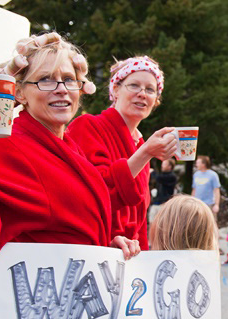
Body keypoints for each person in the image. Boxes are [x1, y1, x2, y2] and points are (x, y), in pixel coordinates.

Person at [0, 32, 140, 262]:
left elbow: (65, 227)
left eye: (69, 79)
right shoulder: (6, 146)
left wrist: (104, 245)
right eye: (46, 79)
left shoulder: (67, 146)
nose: (61, 88)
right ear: (20, 93)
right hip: (44, 295)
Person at [68, 55, 177, 251]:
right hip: (95, 249)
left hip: (130, 255)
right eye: (134, 85)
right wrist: (145, 153)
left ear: (155, 101)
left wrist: (143, 257)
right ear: (115, 90)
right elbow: (91, 195)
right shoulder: (87, 126)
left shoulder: (141, 144)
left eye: (150, 90)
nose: (142, 94)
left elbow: (140, 219)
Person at [148, 159, 177, 224]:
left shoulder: (172, 177)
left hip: (164, 203)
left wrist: (153, 172)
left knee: (162, 224)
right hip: (156, 202)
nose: (162, 166)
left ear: (170, 166)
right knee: (152, 222)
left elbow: (159, 178)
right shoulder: (162, 175)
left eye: (164, 164)